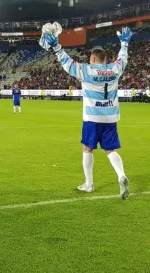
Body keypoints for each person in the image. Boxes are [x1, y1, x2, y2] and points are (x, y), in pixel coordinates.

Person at [39, 22, 131, 199]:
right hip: (111, 116)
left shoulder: (87, 70)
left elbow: (67, 63)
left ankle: (89, 184)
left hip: (92, 116)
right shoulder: (115, 69)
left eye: (90, 59)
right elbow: (123, 58)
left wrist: (57, 47)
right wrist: (124, 43)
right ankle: (121, 175)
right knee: (111, 150)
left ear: (95, 60)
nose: (89, 61)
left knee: (87, 148)